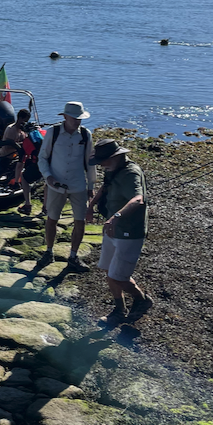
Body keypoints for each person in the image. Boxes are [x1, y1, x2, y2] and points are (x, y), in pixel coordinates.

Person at [87, 138, 152, 323]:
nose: (100, 164)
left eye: (102, 160)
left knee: (119, 276)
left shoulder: (131, 173)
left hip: (129, 231)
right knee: (109, 271)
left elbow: (138, 199)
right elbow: (105, 187)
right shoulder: (112, 170)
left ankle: (141, 300)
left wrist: (116, 217)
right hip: (112, 229)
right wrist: (90, 206)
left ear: (114, 157)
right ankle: (119, 310)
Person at [37, 101, 94, 272]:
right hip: (56, 184)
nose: (78, 121)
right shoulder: (53, 133)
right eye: (75, 118)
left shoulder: (85, 135)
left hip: (78, 184)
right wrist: (48, 177)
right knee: (52, 219)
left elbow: (90, 162)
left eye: (80, 118)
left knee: (80, 221)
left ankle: (73, 256)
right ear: (65, 117)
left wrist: (91, 185)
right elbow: (42, 158)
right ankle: (48, 252)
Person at [1, 108, 32, 213]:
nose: (25, 123)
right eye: (25, 120)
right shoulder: (11, 129)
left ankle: (21, 181)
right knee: (19, 164)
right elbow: (10, 145)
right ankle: (16, 183)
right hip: (6, 157)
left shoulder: (24, 130)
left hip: (17, 156)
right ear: (20, 118)